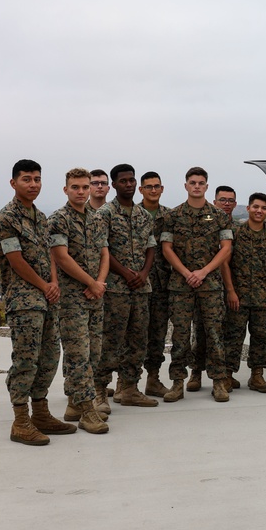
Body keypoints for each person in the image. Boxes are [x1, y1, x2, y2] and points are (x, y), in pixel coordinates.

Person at [0, 159, 73, 445]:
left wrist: (53, 283)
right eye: (27, 179)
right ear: (13, 183)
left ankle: (40, 412)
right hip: (24, 301)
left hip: (47, 298)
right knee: (26, 359)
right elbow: (16, 261)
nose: (33, 184)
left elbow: (50, 254)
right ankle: (20, 420)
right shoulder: (7, 218)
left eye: (37, 179)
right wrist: (43, 286)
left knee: (50, 356)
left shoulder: (41, 217)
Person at [160, 167, 234, 403]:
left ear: (206, 186)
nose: (197, 186)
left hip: (210, 283)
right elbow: (167, 249)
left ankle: (219, 381)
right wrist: (185, 272)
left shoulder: (219, 216)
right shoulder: (172, 216)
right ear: (185, 186)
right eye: (192, 182)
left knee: (214, 333)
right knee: (180, 334)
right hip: (181, 284)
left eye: (201, 183)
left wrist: (203, 271)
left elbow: (226, 248)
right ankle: (177, 382)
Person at [48, 167, 110, 434]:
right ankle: (86, 409)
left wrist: (100, 284)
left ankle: (74, 403)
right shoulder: (58, 219)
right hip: (72, 298)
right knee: (78, 354)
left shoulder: (97, 219)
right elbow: (61, 256)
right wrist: (90, 283)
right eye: (76, 187)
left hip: (95, 295)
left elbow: (105, 253)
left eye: (85, 187)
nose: (82, 191)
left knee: (94, 351)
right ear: (66, 189)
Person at [98, 164, 159, 411]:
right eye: (123, 181)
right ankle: (99, 391)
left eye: (132, 180)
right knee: (110, 341)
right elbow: (102, 249)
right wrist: (125, 273)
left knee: (138, 341)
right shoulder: (105, 214)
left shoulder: (143, 215)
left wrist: (143, 273)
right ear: (114, 185)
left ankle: (129, 388)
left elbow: (151, 246)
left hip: (140, 288)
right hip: (115, 289)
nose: (129, 184)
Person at [221, 193, 266, 393]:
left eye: (264, 208)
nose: (259, 211)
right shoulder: (235, 234)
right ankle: (227, 376)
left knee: (261, 337)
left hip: (263, 298)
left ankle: (257, 376)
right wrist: (230, 291)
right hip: (237, 297)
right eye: (255, 207)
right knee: (233, 337)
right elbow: (225, 263)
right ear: (248, 208)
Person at [189, 184, 238, 389]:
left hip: (228, 287)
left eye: (230, 201)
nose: (226, 204)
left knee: (224, 332)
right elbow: (222, 260)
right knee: (200, 331)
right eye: (222, 200)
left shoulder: (237, 228)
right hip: (208, 285)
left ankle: (223, 373)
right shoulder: (208, 223)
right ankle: (196, 372)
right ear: (215, 201)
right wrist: (229, 289)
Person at [138, 172, 173, 400]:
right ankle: (126, 383)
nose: (153, 190)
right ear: (141, 190)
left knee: (158, 334)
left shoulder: (169, 216)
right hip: (136, 282)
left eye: (156, 186)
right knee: (133, 335)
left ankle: (153, 379)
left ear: (162, 189)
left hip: (161, 283)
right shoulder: (130, 214)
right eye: (148, 186)